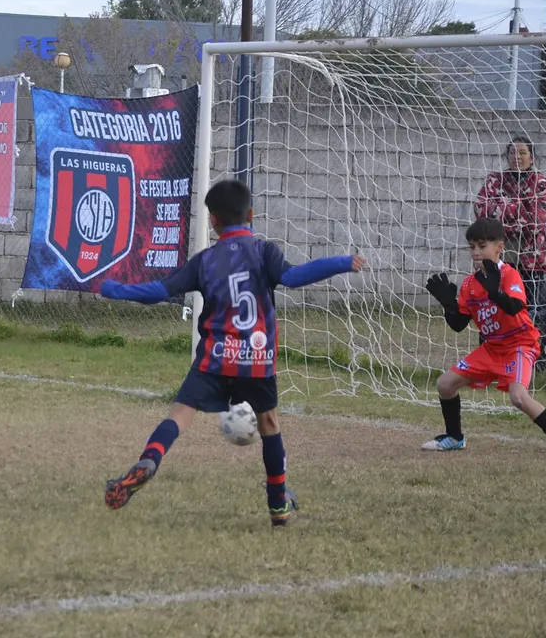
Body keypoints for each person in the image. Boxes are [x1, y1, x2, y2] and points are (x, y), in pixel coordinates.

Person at [100, 179, 365, 527]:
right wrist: (344, 261)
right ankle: (278, 505)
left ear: (212, 220)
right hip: (256, 361)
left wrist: (112, 287)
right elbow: (296, 277)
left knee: (180, 414)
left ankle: (150, 459)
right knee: (269, 423)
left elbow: (158, 291)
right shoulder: (264, 252)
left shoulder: (205, 260)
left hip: (215, 358)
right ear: (251, 215)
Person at [424, 217, 546, 462]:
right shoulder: (469, 284)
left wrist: (495, 291)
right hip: (492, 348)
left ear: (499, 247)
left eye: (482, 245)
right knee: (445, 384)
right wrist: (448, 304)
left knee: (518, 397)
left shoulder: (509, 274)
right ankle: (455, 438)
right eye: (472, 247)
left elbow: (515, 307)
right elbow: (458, 325)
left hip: (520, 344)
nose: (476, 252)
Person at [474, 136, 546, 369]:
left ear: (532, 157)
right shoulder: (494, 180)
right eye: (512, 152)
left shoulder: (542, 183)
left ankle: (545, 362)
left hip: (532, 261)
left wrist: (504, 213)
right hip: (499, 260)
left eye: (522, 153)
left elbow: (537, 221)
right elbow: (482, 209)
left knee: (536, 312)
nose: (516, 157)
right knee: (494, 310)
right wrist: (520, 210)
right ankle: (494, 360)